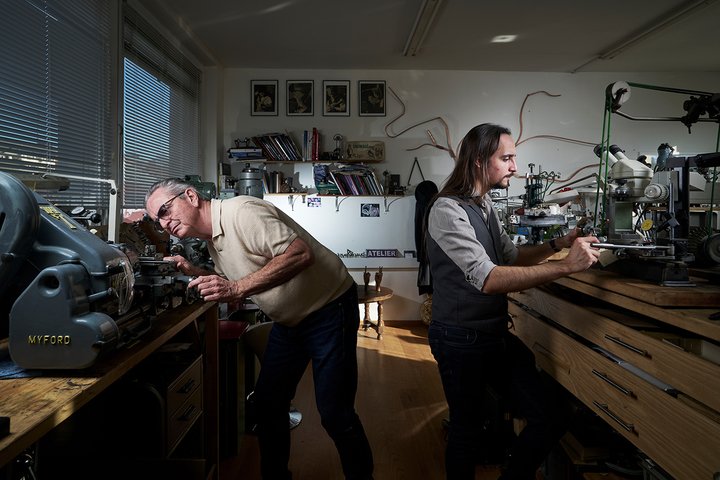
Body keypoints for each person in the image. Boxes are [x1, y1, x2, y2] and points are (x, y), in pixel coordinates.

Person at [145, 178, 374, 480]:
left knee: (335, 413)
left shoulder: (242, 212)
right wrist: (195, 272)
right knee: (267, 407)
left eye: (164, 211)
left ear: (190, 195)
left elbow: (300, 254)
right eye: (156, 221)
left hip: (328, 309)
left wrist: (236, 287)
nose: (163, 224)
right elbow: (237, 283)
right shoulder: (213, 241)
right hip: (290, 321)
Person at [424, 123, 600, 480]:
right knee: (466, 432)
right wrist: (566, 267)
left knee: (550, 415)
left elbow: (511, 255)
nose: (515, 167)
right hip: (459, 338)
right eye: (506, 158)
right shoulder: (447, 210)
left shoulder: (484, 204)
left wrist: (557, 245)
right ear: (477, 161)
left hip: (490, 336)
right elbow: (488, 278)